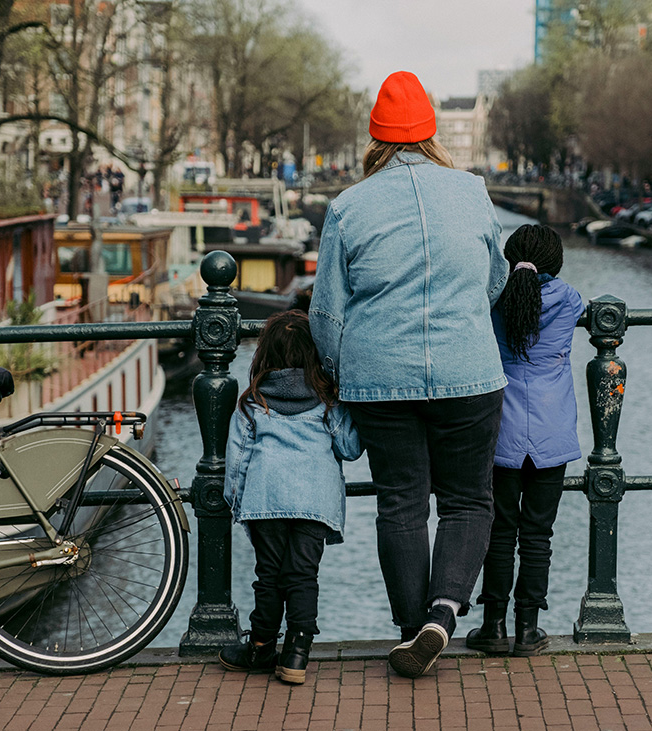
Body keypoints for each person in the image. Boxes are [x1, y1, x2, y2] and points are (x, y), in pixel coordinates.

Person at [309, 70, 509, 679]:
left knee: (399, 503)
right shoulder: (472, 192)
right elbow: (495, 279)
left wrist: (343, 375)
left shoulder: (348, 207)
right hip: (468, 372)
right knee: (469, 499)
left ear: (376, 139)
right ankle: (443, 615)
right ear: (431, 135)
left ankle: (407, 627)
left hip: (379, 377)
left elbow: (326, 312)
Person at [219, 310, 363, 685]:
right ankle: (297, 653)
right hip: (315, 502)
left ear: (265, 355)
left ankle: (262, 645)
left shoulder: (253, 403)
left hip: (265, 500)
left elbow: (237, 459)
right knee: (303, 575)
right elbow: (349, 448)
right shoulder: (326, 400)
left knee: (268, 576)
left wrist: (235, 502)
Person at [465, 225, 584, 657]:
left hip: (502, 431)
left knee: (500, 530)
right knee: (538, 534)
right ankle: (528, 629)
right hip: (553, 433)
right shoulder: (569, 300)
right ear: (555, 263)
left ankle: (492, 625)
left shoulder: (494, 300)